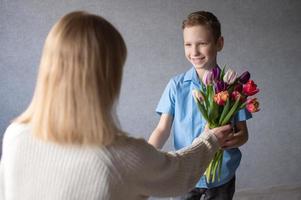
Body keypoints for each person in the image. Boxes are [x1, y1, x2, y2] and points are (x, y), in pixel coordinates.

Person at [0, 11, 233, 200]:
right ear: (109, 76)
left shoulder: (14, 136)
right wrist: (210, 138)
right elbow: (179, 174)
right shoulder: (123, 156)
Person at [148, 11, 252, 200]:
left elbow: (243, 134)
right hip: (185, 173)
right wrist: (145, 156)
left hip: (222, 174)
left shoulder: (233, 87)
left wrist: (226, 142)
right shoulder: (176, 86)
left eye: (202, 44)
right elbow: (162, 129)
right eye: (188, 44)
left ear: (219, 43)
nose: (194, 52)